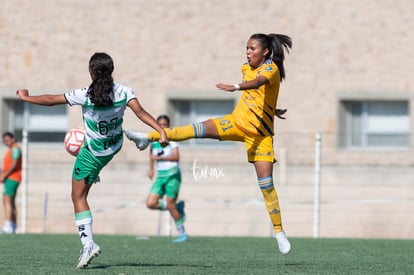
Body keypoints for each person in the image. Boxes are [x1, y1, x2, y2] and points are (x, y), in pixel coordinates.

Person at [125, 33, 293, 255]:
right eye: (247, 48)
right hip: (235, 122)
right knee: (194, 129)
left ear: (266, 52)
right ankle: (147, 137)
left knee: (266, 186)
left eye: (252, 48)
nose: (248, 52)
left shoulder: (271, 69)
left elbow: (259, 83)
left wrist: (236, 87)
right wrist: (271, 107)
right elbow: (262, 93)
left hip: (260, 137)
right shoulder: (246, 67)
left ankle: (279, 232)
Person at [16, 52, 167, 268]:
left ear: (91, 71)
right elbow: (140, 112)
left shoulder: (85, 94)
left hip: (93, 154)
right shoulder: (124, 91)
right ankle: (137, 141)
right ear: (112, 70)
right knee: (91, 145)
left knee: (78, 197)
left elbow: (50, 100)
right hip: (114, 145)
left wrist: (25, 98)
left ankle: (88, 245)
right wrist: (160, 130)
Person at [146, 115, 188, 243]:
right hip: (160, 176)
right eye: (160, 124)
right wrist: (151, 169)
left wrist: (160, 159)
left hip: (173, 175)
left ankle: (182, 233)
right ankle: (177, 207)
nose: (162, 127)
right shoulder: (154, 141)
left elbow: (176, 157)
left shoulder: (172, 139)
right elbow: (151, 156)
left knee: (170, 205)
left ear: (168, 126)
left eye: (165, 125)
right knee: (150, 203)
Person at [0, 132, 22, 234]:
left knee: (7, 200)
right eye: (5, 141)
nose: (7, 142)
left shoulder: (15, 149)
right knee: (11, 202)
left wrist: (4, 175)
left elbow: (14, 164)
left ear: (13, 138)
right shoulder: (11, 150)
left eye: (8, 140)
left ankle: (8, 225)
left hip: (12, 178)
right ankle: (13, 226)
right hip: (11, 178)